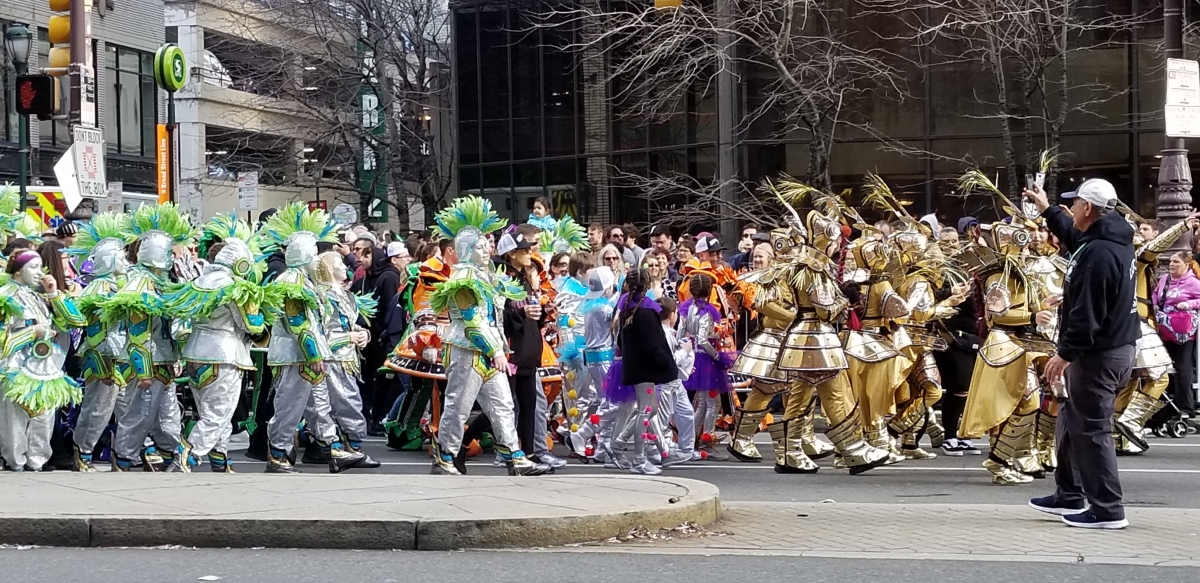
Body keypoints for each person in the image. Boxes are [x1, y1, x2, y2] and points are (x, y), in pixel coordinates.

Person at [1026, 178, 1139, 530]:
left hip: (1098, 354)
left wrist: (1065, 354)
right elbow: (1074, 236)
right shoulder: (1108, 240)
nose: (1071, 208)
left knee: (1091, 430)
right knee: (1072, 423)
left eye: (1074, 203)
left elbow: (1087, 315)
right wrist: (1047, 210)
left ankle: (1108, 509)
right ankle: (1070, 493)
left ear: (1087, 208)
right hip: (1110, 349)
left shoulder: (1098, 253)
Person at [427, 196, 549, 476]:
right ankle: (445, 457)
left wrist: (499, 349)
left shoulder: (488, 277)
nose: (487, 250)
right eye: (480, 247)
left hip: (491, 353)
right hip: (467, 350)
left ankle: (515, 457)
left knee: (503, 404)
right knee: (458, 406)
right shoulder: (462, 280)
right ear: (467, 250)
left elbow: (494, 318)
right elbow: (472, 323)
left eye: (487, 245)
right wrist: (496, 351)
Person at [259, 203, 364, 473]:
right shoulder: (292, 282)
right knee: (290, 407)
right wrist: (314, 354)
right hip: (296, 357)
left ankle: (333, 448)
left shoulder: (302, 280)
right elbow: (299, 324)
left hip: (307, 356)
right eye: (314, 252)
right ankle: (278, 454)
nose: (317, 257)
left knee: (319, 405)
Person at [166, 214, 271, 473]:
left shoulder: (197, 282)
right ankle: (187, 454)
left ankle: (220, 459)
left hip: (195, 354)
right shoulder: (236, 287)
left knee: (211, 412)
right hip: (225, 355)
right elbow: (252, 325)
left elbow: (180, 320)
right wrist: (260, 319)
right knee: (218, 414)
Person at [99, 203, 195, 471]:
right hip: (147, 363)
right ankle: (124, 457)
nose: (173, 257)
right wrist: (142, 371)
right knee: (139, 414)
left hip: (163, 361)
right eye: (168, 252)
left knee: (167, 415)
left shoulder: (160, 283)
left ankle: (171, 453)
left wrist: (176, 354)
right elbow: (137, 333)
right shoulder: (139, 286)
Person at [0, 251, 85, 471]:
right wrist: (32, 332)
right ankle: (15, 462)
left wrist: (54, 293)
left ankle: (36, 461)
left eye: (40, 267)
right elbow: (2, 341)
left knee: (44, 419)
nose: (39, 273)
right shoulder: (5, 295)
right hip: (15, 368)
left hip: (45, 368)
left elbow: (76, 321)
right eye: (33, 267)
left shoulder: (39, 296)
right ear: (18, 271)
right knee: (15, 421)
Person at [66, 213, 132, 472]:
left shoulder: (120, 286)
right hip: (103, 356)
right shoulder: (98, 288)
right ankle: (82, 451)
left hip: (123, 356)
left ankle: (122, 455)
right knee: (98, 409)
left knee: (127, 409)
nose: (126, 262)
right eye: (121, 257)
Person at [611, 268, 679, 475]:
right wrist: (667, 364)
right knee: (645, 411)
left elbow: (620, 341)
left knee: (651, 409)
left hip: (636, 366)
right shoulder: (646, 311)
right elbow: (654, 345)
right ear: (647, 286)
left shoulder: (626, 308)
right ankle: (639, 459)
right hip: (646, 368)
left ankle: (619, 443)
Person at [1154, 251, 1200, 420]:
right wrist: (1154, 305)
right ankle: (1166, 407)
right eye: (1171, 261)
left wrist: (1189, 303)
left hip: (1184, 334)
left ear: (1186, 265)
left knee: (1182, 368)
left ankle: (1186, 406)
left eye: (1176, 262)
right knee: (1163, 368)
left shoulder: (1194, 283)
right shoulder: (1164, 280)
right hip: (1164, 330)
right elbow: (1155, 294)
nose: (1172, 265)